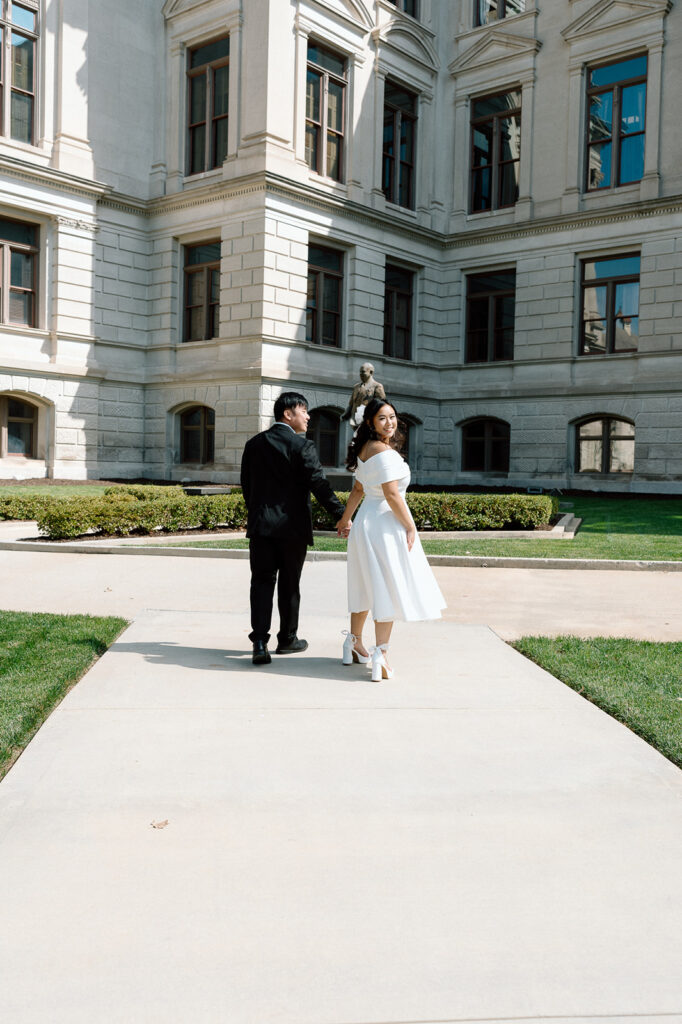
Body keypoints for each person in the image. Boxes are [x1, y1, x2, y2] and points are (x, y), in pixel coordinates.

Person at [336, 397, 446, 681]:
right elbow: (392, 494)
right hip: (385, 525)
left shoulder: (363, 449)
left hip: (365, 523)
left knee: (363, 584)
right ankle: (380, 655)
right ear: (371, 422)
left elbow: (358, 489)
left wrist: (346, 518)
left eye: (392, 416)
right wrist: (410, 526)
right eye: (382, 418)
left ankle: (353, 643)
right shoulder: (383, 452)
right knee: (384, 587)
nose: (390, 422)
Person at [241, 392, 345, 665]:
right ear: (288, 414)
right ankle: (287, 640)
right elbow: (319, 485)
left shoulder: (253, 444)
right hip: (292, 529)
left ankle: (260, 643)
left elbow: (247, 487)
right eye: (304, 411)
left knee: (261, 583)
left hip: (261, 528)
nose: (308, 416)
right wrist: (341, 515)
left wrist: (259, 514)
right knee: (289, 584)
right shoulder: (303, 446)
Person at [341, 362, 386, 427]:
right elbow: (351, 404)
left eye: (363, 372)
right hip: (355, 422)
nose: (360, 374)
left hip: (368, 423)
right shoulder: (356, 387)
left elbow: (381, 406)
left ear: (371, 372)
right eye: (360, 372)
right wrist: (345, 414)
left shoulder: (377, 386)